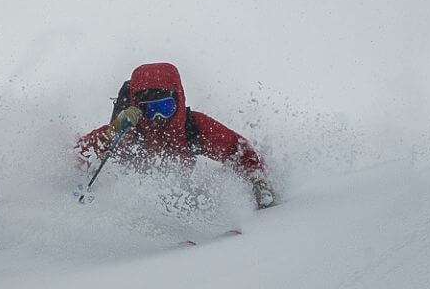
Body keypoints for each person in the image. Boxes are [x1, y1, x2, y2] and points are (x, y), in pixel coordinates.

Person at [77, 62, 279, 209]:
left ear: (179, 100)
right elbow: (81, 154)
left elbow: (238, 150)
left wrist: (257, 180)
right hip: (132, 203)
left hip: (178, 198)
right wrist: (114, 130)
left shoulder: (194, 128)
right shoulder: (128, 131)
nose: (157, 117)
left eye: (165, 107)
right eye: (149, 109)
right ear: (137, 109)